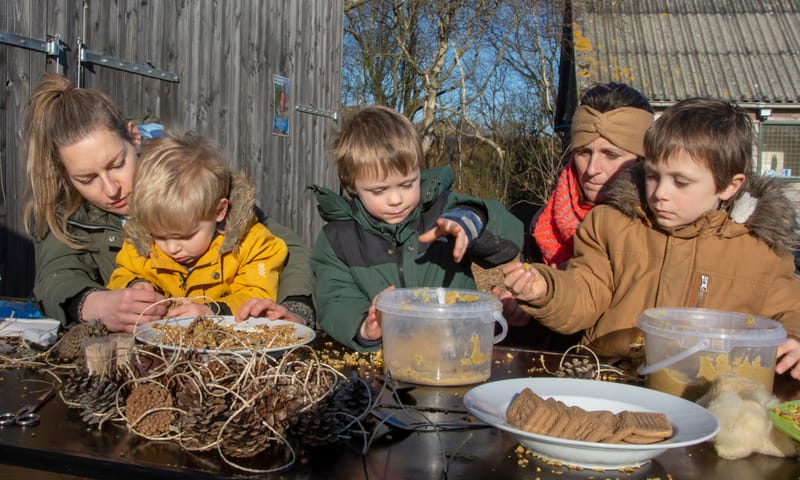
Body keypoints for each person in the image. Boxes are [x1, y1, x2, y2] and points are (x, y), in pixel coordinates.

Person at [502, 97, 800, 379]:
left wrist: (796, 339)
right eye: (653, 176)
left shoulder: (762, 249)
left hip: (709, 392)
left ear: (729, 186)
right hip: (610, 378)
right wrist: (547, 289)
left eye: (680, 182)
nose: (660, 193)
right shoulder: (611, 223)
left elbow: (791, 309)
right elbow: (585, 293)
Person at [23, 72, 315, 332]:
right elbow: (55, 276)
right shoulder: (62, 212)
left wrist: (295, 310)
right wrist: (96, 304)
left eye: (117, 164)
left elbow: (282, 248)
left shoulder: (188, 180)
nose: (111, 189)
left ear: (134, 137)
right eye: (87, 180)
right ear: (67, 175)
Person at [309, 105, 523, 352]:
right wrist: (364, 328)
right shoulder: (337, 238)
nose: (396, 199)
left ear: (418, 171)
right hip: (385, 361)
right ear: (352, 186)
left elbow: (509, 241)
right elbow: (335, 300)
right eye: (379, 190)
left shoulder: (444, 211)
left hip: (457, 350)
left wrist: (471, 222)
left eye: (407, 184)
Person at [495, 83, 655, 346]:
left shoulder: (658, 227)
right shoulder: (543, 223)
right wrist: (525, 309)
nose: (592, 169)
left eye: (610, 154)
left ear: (642, 160)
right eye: (583, 152)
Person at [106, 131, 288, 319]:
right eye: (159, 236)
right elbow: (121, 274)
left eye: (184, 236)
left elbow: (257, 294)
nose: (172, 247)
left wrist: (213, 311)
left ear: (219, 211)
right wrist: (134, 284)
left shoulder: (251, 245)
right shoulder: (141, 245)